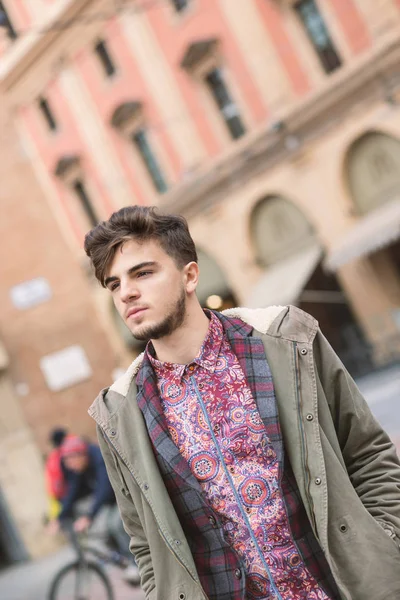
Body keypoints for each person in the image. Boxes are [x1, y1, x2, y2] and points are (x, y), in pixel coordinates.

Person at [84, 206, 400, 600]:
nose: (127, 292)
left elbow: (368, 453)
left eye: (143, 273)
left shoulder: (288, 340)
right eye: (114, 284)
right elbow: (146, 545)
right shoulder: (119, 412)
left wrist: (385, 543)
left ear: (190, 276)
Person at [54, 435, 140, 584]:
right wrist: (60, 517)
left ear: (80, 455)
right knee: (100, 531)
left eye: (71, 461)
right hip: (111, 501)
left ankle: (135, 564)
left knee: (115, 524)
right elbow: (72, 491)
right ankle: (122, 559)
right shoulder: (81, 466)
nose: (70, 467)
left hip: (124, 496)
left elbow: (104, 489)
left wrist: (89, 516)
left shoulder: (99, 458)